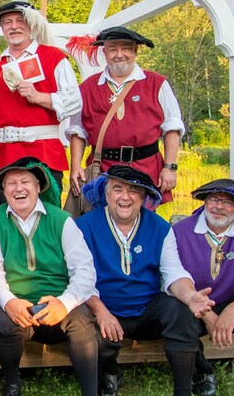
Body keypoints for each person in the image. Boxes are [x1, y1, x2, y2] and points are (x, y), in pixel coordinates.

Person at [76, 166, 215, 396]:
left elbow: (173, 272)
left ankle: (183, 390)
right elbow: (79, 277)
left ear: (143, 197)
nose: (125, 196)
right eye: (117, 189)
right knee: (83, 319)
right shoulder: (84, 226)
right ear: (106, 193)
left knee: (179, 311)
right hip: (104, 308)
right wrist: (100, 311)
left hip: (147, 309)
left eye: (133, 191)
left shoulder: (160, 227)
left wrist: (191, 297)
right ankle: (110, 372)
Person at [0, 157, 98, 396]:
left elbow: (85, 271)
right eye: (11, 183)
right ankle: (12, 383)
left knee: (81, 321)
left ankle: (90, 390)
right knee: (4, 324)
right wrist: (9, 301)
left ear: (37, 187)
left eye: (25, 181)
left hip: (58, 299)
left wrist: (64, 304)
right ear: (4, 191)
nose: (18, 188)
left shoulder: (61, 220)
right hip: (19, 301)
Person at [66, 26, 183, 203]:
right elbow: (78, 131)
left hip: (146, 166)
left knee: (143, 222)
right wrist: (75, 166)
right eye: (113, 49)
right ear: (104, 53)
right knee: (102, 221)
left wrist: (170, 167)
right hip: (103, 168)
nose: (119, 54)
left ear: (135, 51)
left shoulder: (156, 83)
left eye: (126, 48)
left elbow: (172, 128)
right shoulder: (88, 87)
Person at [173, 179, 234, 396]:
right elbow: (170, 277)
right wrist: (207, 315)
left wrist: (231, 312)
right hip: (192, 303)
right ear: (205, 203)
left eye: (227, 202)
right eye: (214, 200)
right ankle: (204, 372)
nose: (219, 207)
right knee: (175, 315)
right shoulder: (180, 231)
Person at [0, 1, 82, 194]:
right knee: (8, 216)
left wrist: (40, 97)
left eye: (20, 21)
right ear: (2, 29)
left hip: (44, 153)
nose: (13, 26)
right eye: (7, 22)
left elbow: (74, 102)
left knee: (46, 215)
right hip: (4, 156)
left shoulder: (54, 58)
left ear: (32, 24)